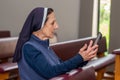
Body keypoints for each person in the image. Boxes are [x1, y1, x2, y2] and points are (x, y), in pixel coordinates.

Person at [13, 7, 98, 80]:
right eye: (52, 23)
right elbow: (50, 72)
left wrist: (84, 58)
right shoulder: (29, 48)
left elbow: (61, 67)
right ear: (40, 25)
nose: (57, 26)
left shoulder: (44, 45)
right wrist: (79, 58)